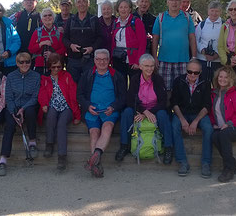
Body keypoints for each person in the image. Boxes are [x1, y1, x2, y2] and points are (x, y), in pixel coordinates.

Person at [115, 54, 172, 164]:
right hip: (139, 109)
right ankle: (124, 146)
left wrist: (148, 113)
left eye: (151, 66)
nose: (149, 69)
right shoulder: (135, 79)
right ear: (140, 66)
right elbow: (130, 100)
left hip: (155, 109)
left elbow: (163, 102)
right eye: (146, 66)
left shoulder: (158, 80)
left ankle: (168, 148)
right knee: (127, 112)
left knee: (163, 115)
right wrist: (144, 112)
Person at [77, 49, 126, 178]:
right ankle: (96, 165)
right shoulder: (87, 75)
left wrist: (114, 107)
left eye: (104, 59)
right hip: (92, 111)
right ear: (94, 61)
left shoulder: (117, 75)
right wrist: (87, 106)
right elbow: (80, 95)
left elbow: (123, 97)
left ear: (109, 60)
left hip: (109, 111)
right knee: (94, 133)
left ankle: (95, 156)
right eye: (98, 59)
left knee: (107, 127)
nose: (102, 62)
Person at [0, 52, 41, 176]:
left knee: (30, 112)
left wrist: (23, 109)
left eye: (27, 61)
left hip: (28, 105)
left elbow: (35, 97)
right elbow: (8, 97)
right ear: (17, 63)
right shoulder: (10, 77)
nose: (24, 64)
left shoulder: (36, 76)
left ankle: (32, 141)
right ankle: (3, 159)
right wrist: (13, 111)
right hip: (14, 106)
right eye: (21, 62)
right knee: (9, 126)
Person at [38, 53, 81, 170]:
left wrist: (77, 115)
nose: (56, 69)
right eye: (53, 67)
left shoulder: (67, 77)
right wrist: (44, 104)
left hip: (66, 107)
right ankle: (49, 144)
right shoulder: (45, 79)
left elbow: (73, 96)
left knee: (61, 124)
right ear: (49, 67)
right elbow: (42, 93)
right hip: (52, 105)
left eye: (59, 67)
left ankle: (62, 156)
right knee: (51, 116)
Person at [170, 60, 213, 178]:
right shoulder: (178, 81)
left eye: (196, 72)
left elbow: (207, 106)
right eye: (190, 72)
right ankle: (182, 161)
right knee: (174, 126)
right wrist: (183, 120)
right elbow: (174, 103)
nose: (192, 75)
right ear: (186, 70)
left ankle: (206, 163)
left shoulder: (206, 83)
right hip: (182, 113)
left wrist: (195, 121)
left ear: (200, 72)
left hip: (198, 114)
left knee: (208, 128)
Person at [210, 66, 236, 183]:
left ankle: (228, 169)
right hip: (222, 128)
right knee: (214, 136)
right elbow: (212, 113)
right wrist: (214, 124)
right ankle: (233, 164)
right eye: (220, 76)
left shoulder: (235, 94)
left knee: (223, 135)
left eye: (226, 77)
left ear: (230, 79)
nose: (222, 79)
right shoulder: (214, 94)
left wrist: (228, 124)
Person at [151, 0, 197, 91]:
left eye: (177, 0)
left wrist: (193, 57)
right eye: (171, 0)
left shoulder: (187, 17)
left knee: (182, 90)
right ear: (167, 2)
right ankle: (166, 107)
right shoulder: (160, 18)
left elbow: (192, 38)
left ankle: (179, 107)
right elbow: (155, 39)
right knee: (165, 90)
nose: (174, 3)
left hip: (183, 60)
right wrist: (155, 56)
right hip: (164, 60)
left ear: (180, 2)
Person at [63, 0, 102, 84]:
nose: (81, 4)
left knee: (89, 84)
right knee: (73, 84)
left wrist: (92, 48)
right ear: (76, 5)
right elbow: (64, 38)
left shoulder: (94, 20)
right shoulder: (71, 20)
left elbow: (100, 38)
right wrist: (71, 45)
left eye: (84, 1)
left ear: (88, 4)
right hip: (73, 59)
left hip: (89, 59)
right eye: (79, 2)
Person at [111, 0, 147, 82]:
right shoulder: (115, 23)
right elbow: (113, 43)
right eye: (121, 7)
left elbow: (143, 42)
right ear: (118, 9)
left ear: (130, 9)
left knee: (134, 86)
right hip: (118, 59)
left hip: (133, 60)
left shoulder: (136, 22)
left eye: (126, 7)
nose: (123, 9)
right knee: (120, 85)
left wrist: (138, 61)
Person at [28, 8, 66, 75]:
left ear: (53, 18)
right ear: (42, 19)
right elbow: (31, 49)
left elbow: (63, 49)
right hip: (40, 66)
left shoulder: (58, 32)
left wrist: (52, 54)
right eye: (45, 16)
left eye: (50, 15)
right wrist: (41, 44)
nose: (47, 17)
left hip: (56, 65)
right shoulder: (37, 32)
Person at [218, 0, 236, 93]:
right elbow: (220, 46)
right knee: (227, 90)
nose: (233, 11)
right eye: (230, 9)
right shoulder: (225, 26)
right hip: (228, 63)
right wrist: (227, 61)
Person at [195, 1, 223, 83]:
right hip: (202, 60)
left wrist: (216, 55)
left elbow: (226, 42)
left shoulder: (224, 25)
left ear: (220, 12)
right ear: (208, 11)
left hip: (218, 62)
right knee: (202, 83)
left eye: (217, 11)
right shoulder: (202, 24)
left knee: (217, 83)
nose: (214, 13)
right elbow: (196, 40)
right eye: (212, 10)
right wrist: (202, 50)